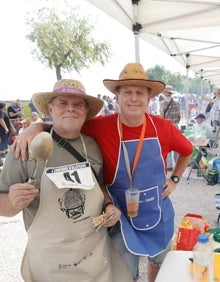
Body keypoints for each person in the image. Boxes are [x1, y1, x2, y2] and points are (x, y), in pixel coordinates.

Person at [13, 63, 193, 282]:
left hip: (157, 210)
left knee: (160, 262)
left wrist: (174, 179)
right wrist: (35, 127)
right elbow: (64, 124)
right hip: (119, 213)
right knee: (124, 271)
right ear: (117, 96)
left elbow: (187, 151)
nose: (134, 98)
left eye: (140, 93)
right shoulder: (100, 125)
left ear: (149, 98)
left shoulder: (163, 127)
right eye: (127, 92)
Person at [0, 79, 133, 282]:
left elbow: (100, 186)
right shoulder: (25, 148)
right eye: (63, 103)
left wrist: (109, 205)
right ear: (50, 108)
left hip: (93, 257)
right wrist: (11, 202)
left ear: (86, 111)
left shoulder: (93, 146)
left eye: (78, 104)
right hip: (50, 263)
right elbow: (3, 205)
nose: (70, 108)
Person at [160, 85, 181, 171]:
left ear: (167, 93)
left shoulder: (163, 103)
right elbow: (179, 116)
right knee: (176, 145)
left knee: (167, 146)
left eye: (165, 92)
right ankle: (177, 162)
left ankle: (169, 165)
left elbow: (161, 117)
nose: (164, 93)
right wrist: (175, 123)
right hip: (175, 126)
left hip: (166, 126)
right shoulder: (177, 103)